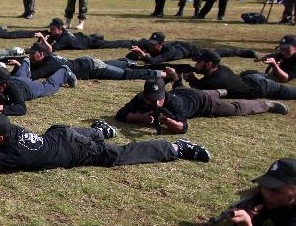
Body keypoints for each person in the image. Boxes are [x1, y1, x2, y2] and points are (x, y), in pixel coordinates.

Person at [0, 112, 212, 175]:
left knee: (118, 156)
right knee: (63, 128)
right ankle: (100, 131)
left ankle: (175, 148)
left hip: (76, 150)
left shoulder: (13, 155)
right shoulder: (11, 131)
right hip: (60, 132)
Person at [114, 79, 287, 134]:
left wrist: (168, 122)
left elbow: (183, 127)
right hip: (184, 91)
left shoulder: (172, 103)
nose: (155, 103)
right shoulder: (140, 98)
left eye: (158, 99)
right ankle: (220, 91)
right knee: (205, 91)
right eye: (151, 100)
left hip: (202, 102)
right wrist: (140, 117)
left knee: (234, 109)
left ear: (164, 94)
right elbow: (120, 114)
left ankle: (266, 105)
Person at [225, 158, 296, 226]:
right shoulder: (271, 197)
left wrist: (246, 225)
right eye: (264, 185)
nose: (265, 193)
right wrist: (254, 218)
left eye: (274, 190)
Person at [169, 50, 296, 101]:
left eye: (199, 62)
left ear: (208, 64)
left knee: (290, 92)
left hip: (260, 86)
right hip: (251, 78)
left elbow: (196, 91)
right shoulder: (221, 68)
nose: (196, 65)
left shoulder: (215, 81)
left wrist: (189, 79)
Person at [0, 64, 74, 116]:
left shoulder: (12, 88)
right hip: (15, 78)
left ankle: (64, 70)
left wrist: (3, 108)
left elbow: (21, 108)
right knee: (20, 76)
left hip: (27, 88)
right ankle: (25, 63)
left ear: (4, 85)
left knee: (48, 87)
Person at [25, 42, 158, 81]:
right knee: (113, 64)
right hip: (87, 61)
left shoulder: (49, 63)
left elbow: (33, 76)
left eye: (32, 54)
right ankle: (129, 61)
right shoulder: (50, 57)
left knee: (124, 74)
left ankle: (155, 73)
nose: (30, 56)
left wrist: (22, 65)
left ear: (41, 54)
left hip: (92, 67)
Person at [125, 31, 256, 65]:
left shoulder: (168, 51)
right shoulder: (150, 46)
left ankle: (242, 52)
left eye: (154, 44)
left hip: (188, 50)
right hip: (177, 43)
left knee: (212, 53)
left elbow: (153, 61)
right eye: (150, 43)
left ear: (160, 44)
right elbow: (131, 54)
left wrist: (142, 55)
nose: (151, 45)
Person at [38, 18, 136, 51]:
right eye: (50, 28)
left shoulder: (65, 38)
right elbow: (42, 44)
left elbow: (51, 49)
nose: (50, 31)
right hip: (84, 37)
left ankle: (133, 43)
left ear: (60, 29)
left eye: (53, 29)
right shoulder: (57, 34)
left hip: (91, 43)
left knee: (113, 44)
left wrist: (43, 40)